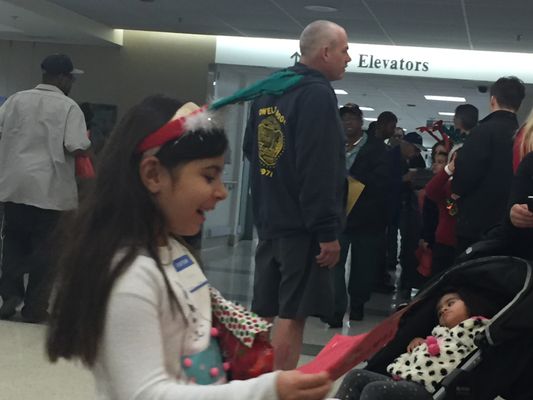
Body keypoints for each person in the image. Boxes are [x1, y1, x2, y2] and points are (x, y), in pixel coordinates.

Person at [46, 95, 332, 400]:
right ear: (153, 174)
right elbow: (145, 394)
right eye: (209, 176)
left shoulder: (174, 252)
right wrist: (266, 391)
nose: (222, 192)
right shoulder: (130, 277)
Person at [243, 20, 350, 369]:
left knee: (266, 311)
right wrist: (327, 232)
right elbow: (319, 167)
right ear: (325, 52)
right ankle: (281, 389)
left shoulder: (270, 90)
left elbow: (251, 150)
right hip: (302, 224)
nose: (349, 57)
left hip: (270, 219)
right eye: (345, 50)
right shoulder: (316, 94)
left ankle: (254, 383)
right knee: (293, 313)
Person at [0, 54, 90, 322]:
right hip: (50, 192)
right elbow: (76, 145)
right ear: (62, 77)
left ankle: (10, 295)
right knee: (47, 252)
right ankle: (35, 307)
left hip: (14, 187)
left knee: (14, 243)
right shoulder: (69, 107)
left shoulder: (16, 100)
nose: (71, 82)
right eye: (71, 77)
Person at [334, 287, 495, 400]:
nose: (444, 310)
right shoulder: (439, 333)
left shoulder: (476, 329)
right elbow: (439, 348)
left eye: (450, 303)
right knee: (356, 376)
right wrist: (423, 343)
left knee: (374, 390)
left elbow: (462, 348)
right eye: (440, 311)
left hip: (429, 389)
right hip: (407, 381)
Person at [325, 103, 389, 326]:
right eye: (343, 119)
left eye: (352, 119)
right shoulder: (332, 145)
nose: (347, 123)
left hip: (366, 217)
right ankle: (335, 309)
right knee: (334, 263)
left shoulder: (378, 148)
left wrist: (354, 180)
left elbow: (383, 181)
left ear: (361, 122)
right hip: (337, 216)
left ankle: (358, 304)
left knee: (363, 265)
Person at [452, 76, 525, 254]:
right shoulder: (524, 136)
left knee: (470, 275)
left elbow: (465, 177)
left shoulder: (481, 132)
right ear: (519, 104)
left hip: (476, 225)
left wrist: (456, 192)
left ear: (493, 100)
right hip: (512, 225)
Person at [424, 146, 462, 276]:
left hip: (466, 242)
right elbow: (430, 190)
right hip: (445, 243)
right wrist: (449, 169)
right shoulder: (448, 186)